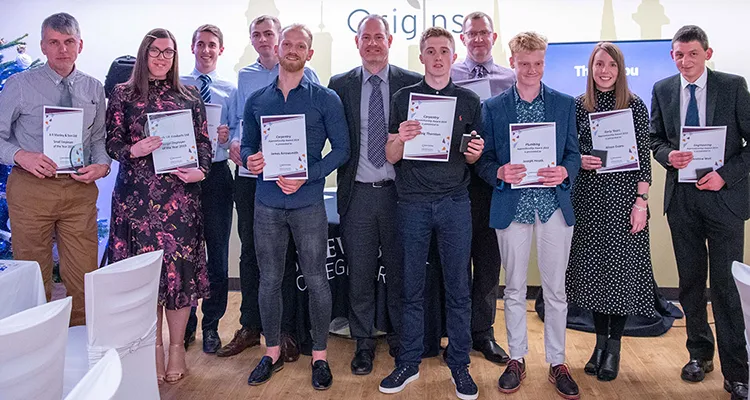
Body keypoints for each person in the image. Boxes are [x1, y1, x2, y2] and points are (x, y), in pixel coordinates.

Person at [378, 26, 484, 400]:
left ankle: (459, 363)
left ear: (453, 57)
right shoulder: (403, 97)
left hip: (455, 203)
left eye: (444, 51)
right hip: (412, 203)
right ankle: (408, 361)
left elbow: (474, 156)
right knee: (410, 287)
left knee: (458, 287)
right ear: (421, 57)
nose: (438, 57)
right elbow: (390, 157)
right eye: (431, 51)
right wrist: (401, 139)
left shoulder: (469, 101)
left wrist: (475, 152)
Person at [242, 24, 349, 390]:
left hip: (307, 204)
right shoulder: (257, 100)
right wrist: (249, 159)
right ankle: (271, 351)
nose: (292, 49)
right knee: (269, 279)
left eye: (300, 45)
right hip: (267, 203)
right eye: (287, 43)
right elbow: (246, 146)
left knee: (317, 278)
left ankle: (319, 356)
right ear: (278, 47)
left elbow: (341, 150)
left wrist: (309, 175)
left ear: (309, 54)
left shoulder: (325, 99)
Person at [475, 31, 580, 399]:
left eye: (537, 63)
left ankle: (557, 362)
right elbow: (484, 161)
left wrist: (565, 171)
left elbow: (574, 155)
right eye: (524, 63)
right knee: (515, 288)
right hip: (512, 205)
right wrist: (499, 172)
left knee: (555, 290)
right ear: (513, 61)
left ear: (544, 62)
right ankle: (516, 358)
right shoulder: (493, 107)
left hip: (552, 205)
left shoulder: (565, 105)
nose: (531, 70)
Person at [106, 28, 211, 384]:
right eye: (156, 52)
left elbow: (203, 143)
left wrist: (200, 171)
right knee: (145, 277)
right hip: (136, 200)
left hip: (180, 200)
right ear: (143, 54)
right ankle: (151, 346)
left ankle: (177, 346)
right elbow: (112, 142)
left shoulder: (189, 94)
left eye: (169, 52)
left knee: (177, 275)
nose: (163, 58)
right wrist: (133, 151)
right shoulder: (123, 94)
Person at [650, 25, 750, 400]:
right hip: (683, 202)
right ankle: (699, 355)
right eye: (678, 54)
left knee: (726, 287)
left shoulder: (733, 85)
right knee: (691, 284)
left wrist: (725, 177)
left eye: (692, 53)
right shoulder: (663, 89)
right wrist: (666, 156)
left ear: (707, 54)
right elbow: (655, 138)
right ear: (672, 56)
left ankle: (737, 371)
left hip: (724, 201)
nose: (685, 61)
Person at [217, 15, 320, 360]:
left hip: (292, 183)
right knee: (250, 255)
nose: (263, 40)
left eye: (268, 34)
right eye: (256, 35)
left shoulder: (308, 76)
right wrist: (236, 147)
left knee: (285, 259)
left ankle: (285, 331)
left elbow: (311, 129)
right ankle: (250, 325)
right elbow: (238, 127)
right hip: (253, 180)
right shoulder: (244, 78)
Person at [0, 12, 111, 327]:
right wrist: (23, 155)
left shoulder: (93, 88)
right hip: (32, 189)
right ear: (43, 46)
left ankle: (80, 346)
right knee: (34, 275)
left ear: (80, 45)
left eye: (69, 42)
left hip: (78, 192)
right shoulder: (19, 86)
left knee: (83, 275)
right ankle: (36, 347)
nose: (62, 49)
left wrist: (102, 165)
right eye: (54, 42)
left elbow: (99, 139)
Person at [328, 14, 421, 375]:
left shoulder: (411, 83)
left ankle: (399, 338)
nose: (372, 43)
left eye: (378, 37)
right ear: (357, 43)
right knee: (360, 274)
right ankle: (363, 342)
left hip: (401, 194)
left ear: (390, 40)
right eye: (365, 38)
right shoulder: (340, 85)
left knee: (400, 272)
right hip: (359, 195)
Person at [565, 42, 656, 382]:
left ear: (620, 70)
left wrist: (641, 203)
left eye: (611, 65)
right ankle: (598, 346)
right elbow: (569, 151)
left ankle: (613, 350)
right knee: (594, 278)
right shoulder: (577, 106)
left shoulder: (635, 106)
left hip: (623, 202)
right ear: (590, 69)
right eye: (598, 64)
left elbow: (644, 160)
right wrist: (581, 159)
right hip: (588, 201)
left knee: (620, 277)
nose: (604, 71)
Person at [450, 10, 515, 364]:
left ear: (493, 37)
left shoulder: (510, 78)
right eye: (471, 34)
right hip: (456, 182)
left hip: (495, 182)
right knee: (457, 264)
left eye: (483, 33)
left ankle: (483, 333)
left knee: (489, 264)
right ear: (463, 39)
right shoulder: (450, 76)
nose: (477, 39)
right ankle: (457, 333)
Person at [180, 24, 235, 354]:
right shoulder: (178, 86)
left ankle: (212, 325)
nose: (206, 50)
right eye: (201, 44)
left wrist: (231, 138)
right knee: (185, 254)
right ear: (192, 47)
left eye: (212, 45)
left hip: (215, 175)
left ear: (221, 50)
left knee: (217, 254)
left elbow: (242, 129)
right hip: (183, 178)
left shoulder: (231, 89)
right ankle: (184, 323)